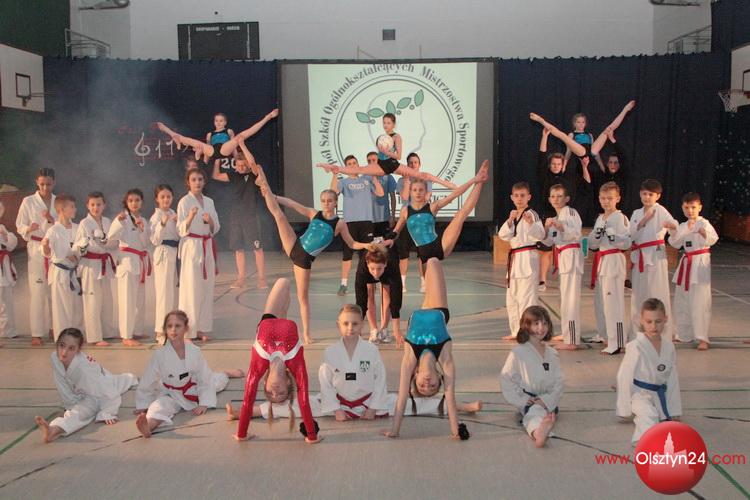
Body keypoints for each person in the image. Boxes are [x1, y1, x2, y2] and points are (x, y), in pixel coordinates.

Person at [254, 165, 373, 344]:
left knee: (303, 297)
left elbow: (351, 243)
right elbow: (292, 204)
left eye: (329, 201)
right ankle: (265, 186)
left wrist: (366, 245)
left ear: (335, 203)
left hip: (304, 260)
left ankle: (306, 333)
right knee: (279, 216)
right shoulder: (314, 213)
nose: (326, 203)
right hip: (294, 245)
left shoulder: (339, 223)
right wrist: (274, 197)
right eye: (323, 200)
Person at [383, 258, 469, 440]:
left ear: (415, 376)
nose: (427, 383)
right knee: (433, 261)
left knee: (429, 262)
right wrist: (456, 431)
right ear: (439, 378)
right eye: (433, 386)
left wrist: (395, 431)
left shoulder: (410, 359)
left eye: (422, 385)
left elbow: (401, 398)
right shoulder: (444, 357)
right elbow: (450, 398)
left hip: (419, 314)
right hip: (438, 310)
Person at [234, 278, 321, 443]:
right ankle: (284, 313)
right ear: (288, 383)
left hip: (269, 320)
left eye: (269, 393)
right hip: (285, 329)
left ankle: (283, 313)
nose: (275, 390)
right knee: (285, 290)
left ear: (264, 383)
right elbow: (303, 401)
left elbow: (247, 400)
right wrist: (312, 436)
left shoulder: (259, 363)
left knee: (283, 282)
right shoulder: (295, 361)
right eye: (281, 393)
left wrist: (241, 434)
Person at [134, 310, 243, 438]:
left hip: (193, 387)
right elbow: (148, 379)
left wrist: (204, 402)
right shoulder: (160, 355)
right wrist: (143, 403)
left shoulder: (194, 351)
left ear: (186, 328)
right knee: (159, 406)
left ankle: (225, 373)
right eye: (169, 326)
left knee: (216, 382)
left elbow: (204, 377)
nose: (173, 329)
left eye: (178, 326)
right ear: (165, 330)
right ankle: (148, 426)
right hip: (170, 393)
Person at [34, 328, 137, 443]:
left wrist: (107, 412)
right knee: (76, 410)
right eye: (62, 345)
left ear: (78, 349)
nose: (64, 352)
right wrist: (70, 403)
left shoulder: (85, 370)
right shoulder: (55, 357)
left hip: (98, 392)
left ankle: (54, 430)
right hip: (83, 391)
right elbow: (61, 383)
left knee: (126, 379)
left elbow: (110, 392)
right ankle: (52, 430)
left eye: (71, 348)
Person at [318, 114, 456, 189]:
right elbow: (380, 154)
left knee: (422, 175)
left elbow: (399, 156)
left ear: (393, 124)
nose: (386, 125)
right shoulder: (382, 137)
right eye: (384, 123)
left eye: (388, 123)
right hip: (381, 164)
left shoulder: (396, 137)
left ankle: (447, 183)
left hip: (392, 164)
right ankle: (332, 167)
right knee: (360, 169)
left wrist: (387, 152)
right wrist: (381, 152)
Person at [393, 160, 490, 263]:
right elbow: (396, 231)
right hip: (423, 253)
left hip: (440, 246)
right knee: (428, 273)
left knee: (461, 214)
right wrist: (390, 238)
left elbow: (455, 193)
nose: (418, 193)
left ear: (426, 192)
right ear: (410, 192)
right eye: (415, 190)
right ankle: (479, 179)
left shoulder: (432, 207)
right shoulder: (405, 211)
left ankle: (480, 180)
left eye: (421, 190)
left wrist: (474, 180)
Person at [616, 298, 682, 444]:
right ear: (641, 321)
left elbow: (672, 379)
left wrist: (674, 409)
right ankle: (643, 442)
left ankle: (658, 428)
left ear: (665, 319)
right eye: (649, 321)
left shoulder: (669, 347)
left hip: (659, 393)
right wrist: (624, 408)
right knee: (648, 415)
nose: (653, 326)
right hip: (639, 394)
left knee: (663, 419)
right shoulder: (635, 346)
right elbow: (624, 376)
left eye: (658, 321)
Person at [500, 305, 563, 448]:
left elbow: (559, 381)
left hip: (547, 399)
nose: (541, 328)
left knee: (542, 411)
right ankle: (538, 433)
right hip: (530, 400)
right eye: (536, 323)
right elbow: (506, 378)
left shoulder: (552, 353)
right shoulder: (518, 353)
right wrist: (522, 400)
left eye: (545, 323)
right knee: (533, 413)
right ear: (526, 326)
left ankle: (544, 424)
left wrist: (547, 400)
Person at [318, 304, 390, 420]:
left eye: (355, 324)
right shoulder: (330, 352)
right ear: (338, 325)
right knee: (304, 405)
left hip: (367, 402)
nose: (350, 328)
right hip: (340, 404)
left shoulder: (371, 350)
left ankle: (376, 406)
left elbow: (380, 380)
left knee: (404, 404)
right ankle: (335, 408)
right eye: (346, 323)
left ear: (362, 325)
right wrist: (337, 410)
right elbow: (325, 383)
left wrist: (372, 409)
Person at [211, 148, 267, 290]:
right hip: (236, 217)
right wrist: (217, 159)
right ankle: (241, 278)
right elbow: (216, 175)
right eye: (239, 165)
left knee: (257, 248)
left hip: (251, 217)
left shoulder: (254, 175)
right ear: (235, 165)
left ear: (248, 164)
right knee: (238, 248)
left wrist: (241, 144)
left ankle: (261, 278)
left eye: (244, 165)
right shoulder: (233, 176)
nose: (241, 167)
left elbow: (253, 164)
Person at [629, 179, 678, 340]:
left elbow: (674, 225)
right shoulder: (637, 213)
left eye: (651, 194)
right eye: (644, 194)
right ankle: (638, 332)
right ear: (640, 194)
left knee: (658, 292)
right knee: (639, 294)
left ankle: (662, 333)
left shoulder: (660, 210)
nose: (647, 197)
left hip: (656, 256)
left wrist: (671, 226)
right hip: (640, 256)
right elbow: (631, 235)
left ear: (658, 196)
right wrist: (644, 221)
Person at [669, 193, 718, 351]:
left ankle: (702, 337)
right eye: (687, 207)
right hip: (686, 264)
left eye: (693, 207)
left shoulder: (704, 223)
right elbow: (675, 243)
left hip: (699, 263)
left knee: (700, 302)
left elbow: (713, 239)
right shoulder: (684, 225)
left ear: (700, 207)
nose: (690, 210)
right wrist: (677, 230)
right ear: (682, 208)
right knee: (682, 301)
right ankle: (684, 334)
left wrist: (703, 233)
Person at [330, 155, 384, 295]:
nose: (353, 165)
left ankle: (371, 280)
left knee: (367, 253)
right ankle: (344, 284)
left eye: (354, 163)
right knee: (347, 254)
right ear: (346, 167)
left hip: (366, 221)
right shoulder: (344, 182)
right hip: (350, 222)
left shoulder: (366, 180)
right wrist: (335, 175)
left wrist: (374, 177)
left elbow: (380, 193)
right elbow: (333, 192)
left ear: (358, 164)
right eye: (349, 164)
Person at [588, 182, 632, 354]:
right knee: (601, 301)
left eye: (610, 198)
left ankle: (617, 342)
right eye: (603, 198)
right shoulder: (600, 218)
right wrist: (596, 235)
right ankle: (604, 334)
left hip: (614, 259)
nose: (606, 202)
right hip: (602, 260)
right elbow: (592, 245)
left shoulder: (620, 218)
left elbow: (627, 243)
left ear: (618, 199)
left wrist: (615, 237)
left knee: (613, 302)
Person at [498, 182, 546, 340]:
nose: (519, 199)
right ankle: (516, 331)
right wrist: (510, 220)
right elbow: (503, 235)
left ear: (529, 197)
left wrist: (531, 223)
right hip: (515, 260)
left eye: (522, 195)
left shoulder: (532, 214)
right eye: (516, 196)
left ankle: (530, 332)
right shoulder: (513, 215)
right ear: (512, 197)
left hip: (527, 257)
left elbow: (541, 235)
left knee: (527, 298)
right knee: (512, 298)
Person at [177, 167, 220, 342]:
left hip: (206, 245)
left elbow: (216, 227)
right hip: (191, 246)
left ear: (204, 181)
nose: (197, 182)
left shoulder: (209, 201)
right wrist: (190, 217)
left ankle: (202, 328)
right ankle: (188, 331)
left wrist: (210, 221)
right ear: (188, 182)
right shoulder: (184, 202)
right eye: (194, 179)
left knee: (206, 288)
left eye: (200, 179)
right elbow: (180, 229)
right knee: (190, 289)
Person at [536, 128, 580, 291]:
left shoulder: (567, 178)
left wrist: (569, 144)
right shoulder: (544, 176)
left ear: (563, 165)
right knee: (546, 250)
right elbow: (541, 157)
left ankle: (566, 278)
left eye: (558, 164)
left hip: (564, 217)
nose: (556, 166)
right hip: (548, 215)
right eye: (553, 164)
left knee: (565, 247)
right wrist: (544, 137)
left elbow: (570, 155)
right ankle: (542, 280)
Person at [15, 167, 56, 345]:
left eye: (48, 184)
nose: (45, 188)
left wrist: (51, 219)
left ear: (54, 183)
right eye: (42, 184)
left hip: (54, 250)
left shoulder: (58, 201)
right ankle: (37, 333)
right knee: (38, 292)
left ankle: (55, 327)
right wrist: (28, 229)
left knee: (54, 292)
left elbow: (66, 224)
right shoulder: (28, 201)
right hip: (36, 249)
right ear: (36, 183)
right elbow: (19, 225)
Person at [542, 185, 584, 350]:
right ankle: (567, 333)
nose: (556, 199)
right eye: (553, 196)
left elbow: (575, 233)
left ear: (567, 199)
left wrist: (561, 226)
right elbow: (547, 242)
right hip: (562, 258)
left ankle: (572, 339)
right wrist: (546, 228)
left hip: (571, 256)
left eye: (559, 196)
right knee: (564, 299)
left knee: (570, 299)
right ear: (549, 199)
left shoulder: (570, 213)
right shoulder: (555, 218)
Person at [108, 188, 151, 347]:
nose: (134, 203)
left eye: (137, 200)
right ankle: (126, 335)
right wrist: (118, 222)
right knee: (127, 300)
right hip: (126, 262)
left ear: (142, 202)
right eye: (131, 200)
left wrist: (141, 229)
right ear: (126, 202)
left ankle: (137, 330)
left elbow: (146, 243)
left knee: (139, 300)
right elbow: (111, 237)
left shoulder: (143, 220)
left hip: (139, 262)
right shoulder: (122, 218)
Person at [156, 109, 277, 164]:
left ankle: (268, 117)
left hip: (224, 149)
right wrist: (204, 160)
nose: (218, 123)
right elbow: (208, 148)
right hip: (213, 151)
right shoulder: (210, 134)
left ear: (225, 122)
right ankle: (169, 131)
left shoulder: (229, 131)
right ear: (214, 122)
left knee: (241, 136)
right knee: (195, 142)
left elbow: (233, 147)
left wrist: (236, 159)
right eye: (216, 121)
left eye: (221, 121)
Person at [76, 192, 118, 346]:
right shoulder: (84, 223)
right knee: (92, 301)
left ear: (104, 205)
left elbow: (115, 243)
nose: (96, 208)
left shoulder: (107, 222)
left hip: (104, 264)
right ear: (87, 206)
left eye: (99, 204)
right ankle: (94, 336)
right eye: (92, 205)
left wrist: (105, 242)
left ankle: (107, 332)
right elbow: (83, 246)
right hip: (90, 265)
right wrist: (99, 244)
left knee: (107, 300)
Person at [42, 194, 85, 341]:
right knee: (61, 307)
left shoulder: (78, 228)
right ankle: (63, 337)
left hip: (75, 272)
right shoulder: (53, 230)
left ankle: (77, 336)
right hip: (60, 272)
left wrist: (76, 254)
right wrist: (45, 246)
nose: (75, 209)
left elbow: (83, 247)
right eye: (71, 207)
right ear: (61, 209)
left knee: (77, 306)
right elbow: (47, 252)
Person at [396, 153, 432, 292]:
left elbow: (426, 198)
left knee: (422, 254)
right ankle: (402, 284)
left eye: (415, 162)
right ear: (407, 165)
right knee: (403, 254)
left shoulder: (426, 179)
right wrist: (407, 182)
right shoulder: (402, 180)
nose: (413, 165)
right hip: (406, 219)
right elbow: (405, 197)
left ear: (419, 164)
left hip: (421, 220)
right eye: (410, 163)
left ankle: (424, 283)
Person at [149, 185, 180, 344]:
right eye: (162, 197)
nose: (166, 199)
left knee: (172, 294)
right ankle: (160, 331)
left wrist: (178, 222)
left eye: (168, 196)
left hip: (175, 253)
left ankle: (171, 329)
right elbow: (154, 240)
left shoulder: (175, 214)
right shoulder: (155, 217)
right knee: (163, 294)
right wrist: (162, 224)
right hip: (163, 253)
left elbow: (180, 235)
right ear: (157, 199)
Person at [355, 244, 403, 344]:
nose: (376, 273)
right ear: (367, 263)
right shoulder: (363, 269)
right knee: (368, 294)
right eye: (372, 268)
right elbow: (360, 300)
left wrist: (397, 331)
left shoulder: (392, 265)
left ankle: (384, 329)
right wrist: (357, 330)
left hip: (388, 271)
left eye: (379, 268)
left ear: (385, 264)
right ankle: (374, 330)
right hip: (367, 273)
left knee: (388, 294)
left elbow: (396, 299)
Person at [0, 200, 18, 340]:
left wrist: (6, 237)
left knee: (7, 301)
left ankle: (8, 331)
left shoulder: (2, 228)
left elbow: (12, 244)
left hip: (4, 268)